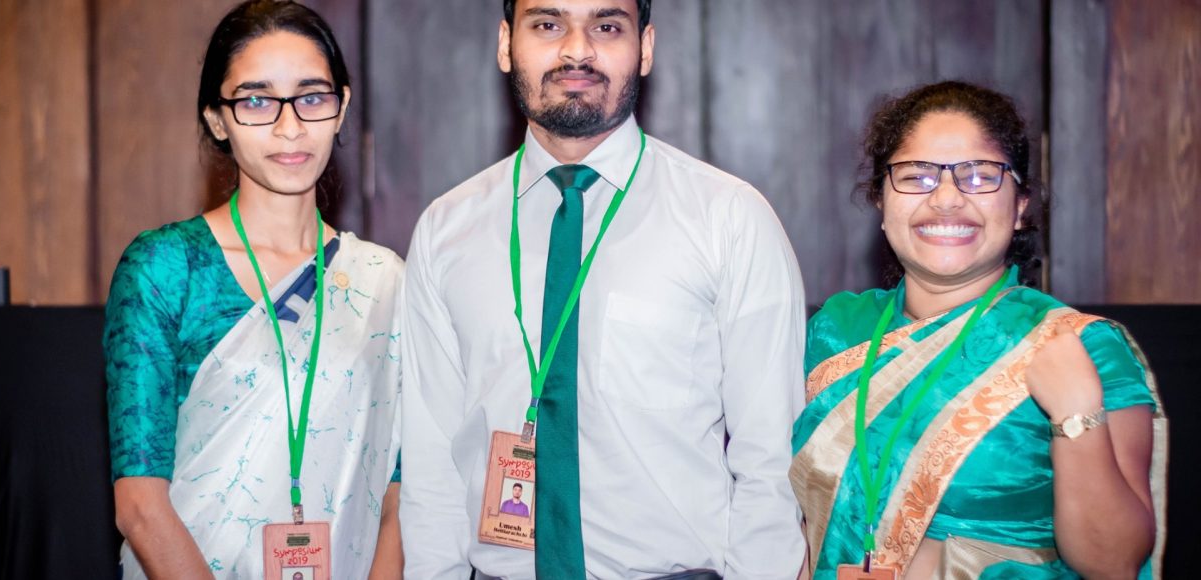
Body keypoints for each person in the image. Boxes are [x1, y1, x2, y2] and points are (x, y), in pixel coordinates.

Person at [400, 0, 806, 577]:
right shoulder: (446, 231)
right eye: (548, 25)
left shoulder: (729, 218)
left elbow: (771, 462)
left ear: (645, 48)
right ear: (505, 44)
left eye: (607, 27)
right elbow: (431, 466)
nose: (577, 50)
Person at [791, 81, 1168, 579]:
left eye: (979, 176)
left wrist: (1076, 413)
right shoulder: (835, 332)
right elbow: (780, 517)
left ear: (1020, 206)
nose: (947, 199)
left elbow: (1114, 564)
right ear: (881, 201)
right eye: (917, 176)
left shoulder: (1081, 347)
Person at [103, 2, 403, 578]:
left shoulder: (384, 281)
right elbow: (139, 505)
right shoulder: (166, 268)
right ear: (218, 120)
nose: (290, 127)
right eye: (257, 101)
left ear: (341, 109)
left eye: (311, 97)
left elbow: (399, 491)